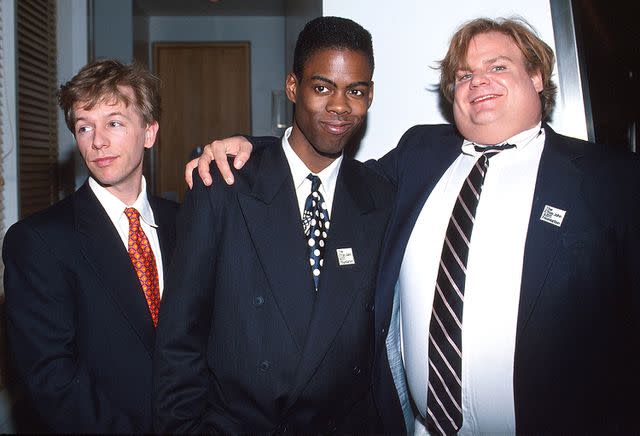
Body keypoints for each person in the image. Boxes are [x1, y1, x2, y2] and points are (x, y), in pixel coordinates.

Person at [189, 16, 640, 435]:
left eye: (497, 66)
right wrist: (253, 150)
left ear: (537, 77)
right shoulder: (421, 154)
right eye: (463, 75)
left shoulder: (610, 181)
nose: (477, 80)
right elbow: (328, 175)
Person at [154, 17, 393, 434]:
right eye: (322, 88)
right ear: (292, 87)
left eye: (355, 91)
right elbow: (180, 337)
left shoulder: (379, 196)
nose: (340, 106)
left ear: (370, 96)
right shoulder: (224, 185)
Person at [2, 59, 178, 433]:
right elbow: (53, 380)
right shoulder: (38, 241)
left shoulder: (186, 224)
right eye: (85, 127)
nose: (98, 141)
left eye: (114, 123)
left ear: (149, 133)